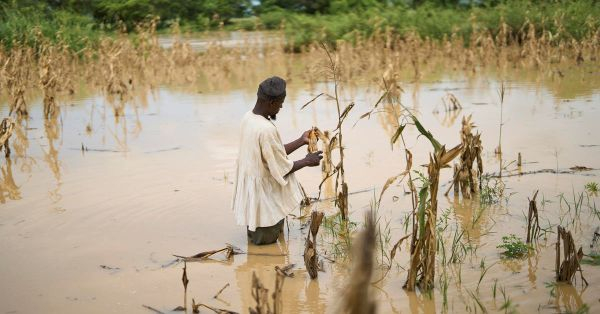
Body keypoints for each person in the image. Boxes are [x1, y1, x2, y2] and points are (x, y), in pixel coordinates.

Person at [232, 76, 323, 245]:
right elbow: (280, 168)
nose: (281, 107)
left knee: (257, 246)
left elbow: (272, 154)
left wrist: (301, 140)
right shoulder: (265, 129)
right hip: (265, 201)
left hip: (255, 199)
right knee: (264, 245)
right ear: (271, 102)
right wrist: (307, 161)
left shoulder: (249, 118)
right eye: (281, 103)